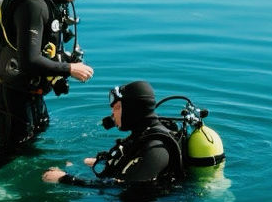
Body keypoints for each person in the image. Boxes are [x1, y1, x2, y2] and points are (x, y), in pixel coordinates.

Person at [0, 0, 96, 174]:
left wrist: (65, 64)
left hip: (30, 94)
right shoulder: (34, 6)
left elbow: (48, 49)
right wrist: (70, 69)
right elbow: (29, 60)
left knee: (30, 141)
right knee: (7, 155)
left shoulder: (55, 2)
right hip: (11, 97)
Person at [43, 80, 182, 190]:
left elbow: (123, 186)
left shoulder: (156, 148)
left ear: (132, 110)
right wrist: (106, 162)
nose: (112, 113)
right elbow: (129, 154)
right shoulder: (144, 132)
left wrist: (65, 179)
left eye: (117, 108)